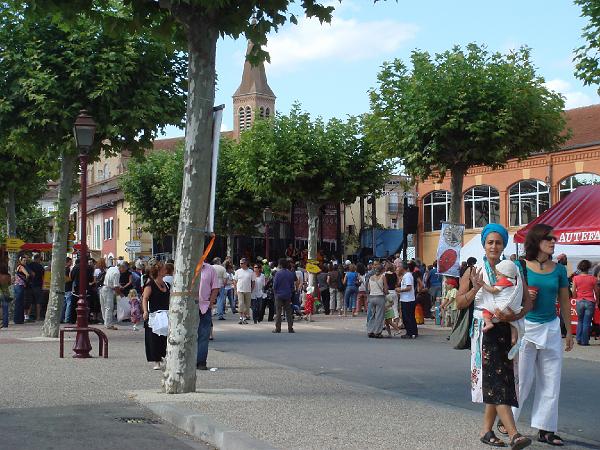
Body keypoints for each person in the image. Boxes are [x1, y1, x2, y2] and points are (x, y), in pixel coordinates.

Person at [456, 223, 532, 449]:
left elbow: (527, 303)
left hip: (507, 329)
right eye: (490, 242)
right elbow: (460, 303)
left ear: (504, 245)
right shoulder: (473, 271)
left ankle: (486, 431)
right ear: (483, 244)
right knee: (497, 381)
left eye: (498, 242)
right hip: (484, 330)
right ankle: (514, 434)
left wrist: (512, 317)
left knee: (500, 380)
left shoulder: (514, 268)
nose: (494, 246)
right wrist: (477, 288)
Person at [507, 224, 574, 447]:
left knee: (551, 381)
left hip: (552, 328)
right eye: (549, 239)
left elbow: (564, 301)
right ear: (536, 242)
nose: (553, 242)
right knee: (523, 379)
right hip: (526, 326)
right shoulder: (520, 266)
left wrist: (569, 331)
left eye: (554, 239)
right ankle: (509, 424)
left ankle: (547, 429)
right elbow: (506, 296)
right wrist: (526, 297)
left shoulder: (559, 269)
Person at [479, 259, 524, 360]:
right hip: (513, 308)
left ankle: (488, 323)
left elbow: (493, 291)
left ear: (505, 274)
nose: (496, 276)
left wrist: (483, 284)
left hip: (502, 307)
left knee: (486, 310)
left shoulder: (504, 281)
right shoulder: (514, 281)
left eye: (498, 274)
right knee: (513, 323)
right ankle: (514, 339)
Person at [142, 260, 170, 370]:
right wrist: (145, 311)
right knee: (154, 338)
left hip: (166, 314)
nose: (165, 271)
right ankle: (157, 361)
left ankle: (164, 357)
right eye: (163, 269)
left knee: (165, 338)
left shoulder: (167, 284)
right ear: (158, 271)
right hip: (154, 315)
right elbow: (145, 298)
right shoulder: (150, 285)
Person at [196, 262, 219, 370]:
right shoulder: (187, 266)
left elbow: (215, 287)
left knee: (204, 335)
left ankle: (201, 362)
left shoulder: (210, 269)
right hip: (190, 306)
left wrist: (211, 302)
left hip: (205, 306)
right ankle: (189, 361)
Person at [572, 259, 597, 346]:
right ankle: (585, 341)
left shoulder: (575, 278)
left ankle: (578, 339)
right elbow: (596, 291)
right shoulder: (593, 278)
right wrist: (597, 300)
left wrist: (575, 297)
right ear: (589, 268)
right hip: (590, 301)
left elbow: (573, 290)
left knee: (580, 321)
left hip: (579, 301)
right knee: (587, 322)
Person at [272, 258, 296, 333]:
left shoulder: (278, 274)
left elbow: (275, 285)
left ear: (280, 265)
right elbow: (292, 285)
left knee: (278, 312)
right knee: (288, 312)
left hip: (279, 295)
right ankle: (290, 328)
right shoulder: (290, 273)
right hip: (288, 294)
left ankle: (278, 328)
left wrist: (275, 292)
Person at [367, 261, 387, 338]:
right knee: (379, 315)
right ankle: (377, 332)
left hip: (372, 297)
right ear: (381, 270)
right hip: (380, 297)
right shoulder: (383, 277)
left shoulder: (370, 278)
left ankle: (370, 330)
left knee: (372, 315)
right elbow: (385, 289)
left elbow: (369, 289)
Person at [397, 263, 417, 339]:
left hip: (407, 299)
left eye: (399, 267)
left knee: (407, 317)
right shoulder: (406, 276)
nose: (398, 268)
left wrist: (400, 290)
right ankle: (413, 332)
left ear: (403, 268)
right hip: (408, 299)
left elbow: (409, 288)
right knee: (410, 316)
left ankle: (409, 332)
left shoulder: (407, 276)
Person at [100, 262, 120, 330]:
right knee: (109, 307)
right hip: (109, 289)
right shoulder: (117, 273)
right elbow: (116, 286)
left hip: (103, 287)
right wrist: (120, 294)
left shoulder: (111, 268)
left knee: (103, 307)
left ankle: (106, 322)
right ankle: (108, 324)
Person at [234, 258, 254, 324]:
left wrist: (252, 289)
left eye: (242, 263)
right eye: (240, 263)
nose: (240, 264)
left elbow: (253, 281)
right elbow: (235, 281)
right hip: (240, 290)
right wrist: (235, 289)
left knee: (247, 305)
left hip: (248, 290)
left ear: (246, 263)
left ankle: (244, 317)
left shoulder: (251, 271)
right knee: (241, 303)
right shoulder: (237, 271)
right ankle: (240, 317)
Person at [26, 253, 45, 321]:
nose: (41, 261)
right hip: (38, 286)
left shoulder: (29, 265)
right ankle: (38, 317)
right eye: (41, 259)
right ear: (38, 259)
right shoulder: (40, 267)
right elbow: (44, 277)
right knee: (38, 302)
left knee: (30, 302)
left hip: (30, 286)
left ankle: (27, 316)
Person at [13, 255, 29, 324]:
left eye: (26, 260)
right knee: (20, 303)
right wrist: (26, 280)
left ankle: (17, 319)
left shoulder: (17, 267)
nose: (25, 262)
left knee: (18, 303)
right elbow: (27, 274)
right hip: (20, 285)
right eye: (24, 260)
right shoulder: (21, 267)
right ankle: (19, 320)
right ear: (21, 261)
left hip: (16, 286)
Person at [61, 257, 73, 324]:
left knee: (64, 304)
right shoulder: (68, 269)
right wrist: (71, 279)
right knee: (69, 303)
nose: (71, 263)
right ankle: (66, 319)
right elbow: (68, 279)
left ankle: (61, 318)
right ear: (67, 262)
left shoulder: (62, 269)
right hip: (68, 287)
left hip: (63, 288)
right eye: (70, 262)